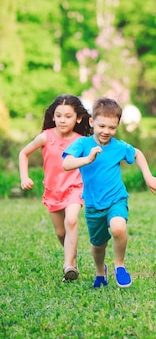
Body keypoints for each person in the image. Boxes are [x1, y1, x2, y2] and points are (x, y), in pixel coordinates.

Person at [62, 97, 156, 288]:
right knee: (98, 245)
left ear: (117, 126)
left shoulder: (118, 146)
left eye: (112, 128)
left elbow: (137, 154)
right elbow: (66, 163)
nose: (106, 131)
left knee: (118, 227)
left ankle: (119, 265)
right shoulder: (82, 145)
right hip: (93, 204)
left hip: (116, 199)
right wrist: (87, 159)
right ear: (92, 122)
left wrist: (148, 176)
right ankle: (100, 272)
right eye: (102, 126)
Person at [18, 94, 92, 282]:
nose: (62, 120)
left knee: (72, 220)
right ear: (53, 117)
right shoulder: (46, 137)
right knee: (61, 232)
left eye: (68, 116)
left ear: (78, 118)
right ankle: (72, 259)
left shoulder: (81, 141)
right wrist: (24, 177)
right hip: (53, 191)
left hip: (75, 187)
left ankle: (68, 265)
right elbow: (23, 153)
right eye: (58, 115)